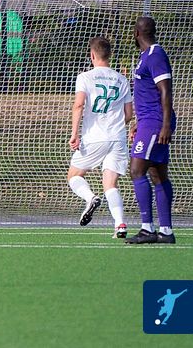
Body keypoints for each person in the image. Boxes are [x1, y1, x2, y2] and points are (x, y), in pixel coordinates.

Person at [65, 36, 133, 238]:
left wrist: (74, 134)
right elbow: (129, 114)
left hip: (94, 137)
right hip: (117, 138)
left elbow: (79, 105)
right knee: (110, 184)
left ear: (92, 55)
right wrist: (116, 125)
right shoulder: (122, 79)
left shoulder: (85, 77)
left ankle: (90, 198)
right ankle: (120, 225)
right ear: (109, 55)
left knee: (74, 176)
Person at [125, 16, 177, 244]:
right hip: (149, 121)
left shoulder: (155, 55)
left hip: (156, 122)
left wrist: (164, 125)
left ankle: (147, 228)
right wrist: (139, 121)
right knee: (157, 174)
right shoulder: (145, 56)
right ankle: (166, 231)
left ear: (136, 33)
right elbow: (148, 93)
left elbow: (165, 90)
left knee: (136, 170)